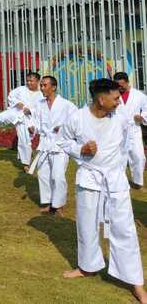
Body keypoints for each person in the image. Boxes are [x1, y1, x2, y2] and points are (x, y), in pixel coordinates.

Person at [57, 78, 146, 303]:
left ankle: (136, 282)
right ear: (101, 99)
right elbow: (63, 141)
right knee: (87, 226)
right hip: (89, 178)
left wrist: (122, 164)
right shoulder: (77, 117)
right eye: (116, 98)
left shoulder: (122, 116)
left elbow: (130, 141)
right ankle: (87, 266)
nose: (119, 102)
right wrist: (81, 149)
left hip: (114, 180)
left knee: (124, 228)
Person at [27, 76, 77, 215]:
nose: (42, 88)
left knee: (58, 176)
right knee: (43, 175)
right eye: (41, 85)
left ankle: (59, 205)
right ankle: (48, 202)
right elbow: (35, 121)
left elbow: (76, 122)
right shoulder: (39, 104)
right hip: (45, 144)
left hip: (60, 145)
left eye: (44, 85)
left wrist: (63, 127)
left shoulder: (66, 105)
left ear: (53, 87)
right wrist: (33, 128)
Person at [0, 72, 42, 172]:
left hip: (28, 119)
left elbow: (41, 109)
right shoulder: (21, 89)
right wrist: (17, 102)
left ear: (37, 81)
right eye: (27, 80)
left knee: (25, 141)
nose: (29, 82)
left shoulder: (41, 95)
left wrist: (30, 111)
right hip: (15, 112)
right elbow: (11, 96)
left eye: (31, 81)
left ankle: (26, 164)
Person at [114, 72, 147, 188]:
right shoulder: (113, 95)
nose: (119, 88)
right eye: (117, 85)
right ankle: (119, 180)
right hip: (118, 130)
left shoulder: (139, 95)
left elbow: (146, 109)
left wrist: (142, 117)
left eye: (121, 85)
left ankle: (137, 181)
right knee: (119, 157)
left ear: (127, 82)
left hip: (134, 130)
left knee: (138, 156)